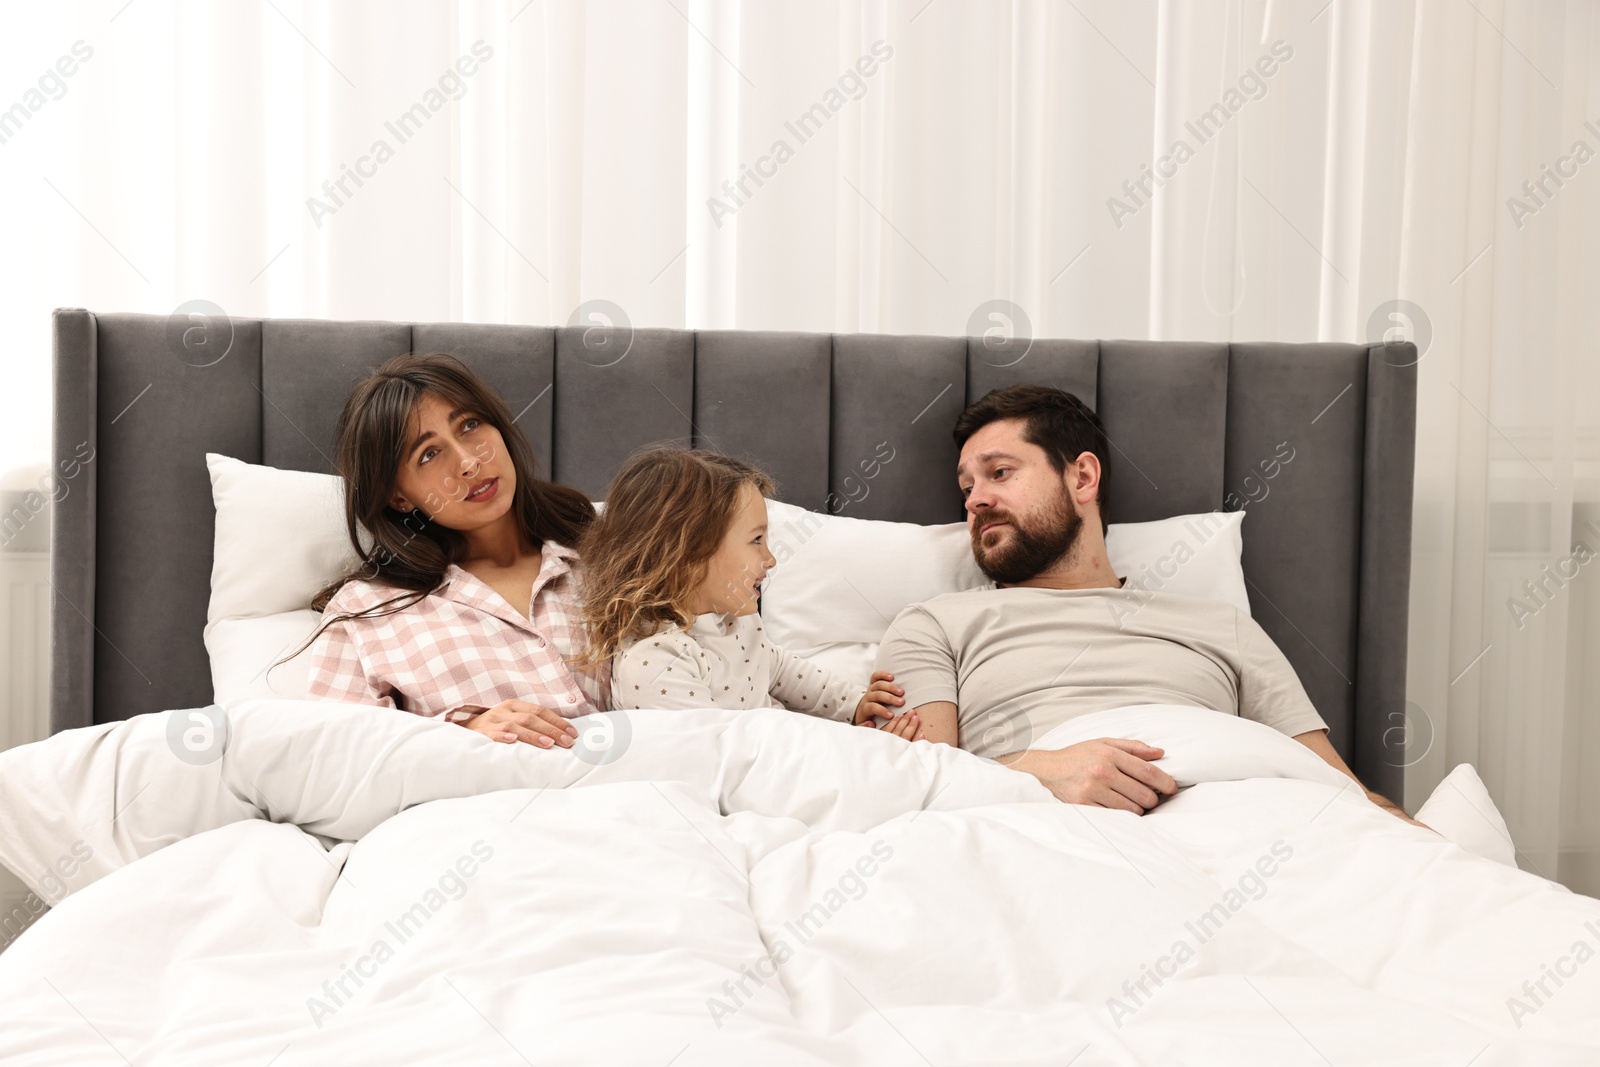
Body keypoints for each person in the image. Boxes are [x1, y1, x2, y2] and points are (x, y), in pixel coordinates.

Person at [874, 384, 1424, 826]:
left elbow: (1339, 790)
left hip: (1249, 822)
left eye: (1000, 473)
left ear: (1083, 476)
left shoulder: (1221, 627)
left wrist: (1433, 850)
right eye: (966, 487)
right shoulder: (932, 626)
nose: (976, 500)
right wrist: (1038, 771)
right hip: (1050, 831)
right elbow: (919, 787)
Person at [300, 353, 601, 750]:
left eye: (470, 425)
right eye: (428, 454)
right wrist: (459, 737)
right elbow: (335, 763)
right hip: (483, 806)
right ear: (399, 497)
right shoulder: (366, 613)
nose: (469, 462)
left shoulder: (609, 556)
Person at [578, 444, 920, 737]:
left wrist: (854, 704)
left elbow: (783, 669)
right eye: (756, 540)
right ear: (687, 553)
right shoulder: (657, 661)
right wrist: (843, 747)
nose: (770, 559)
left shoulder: (735, 623)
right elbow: (720, 757)